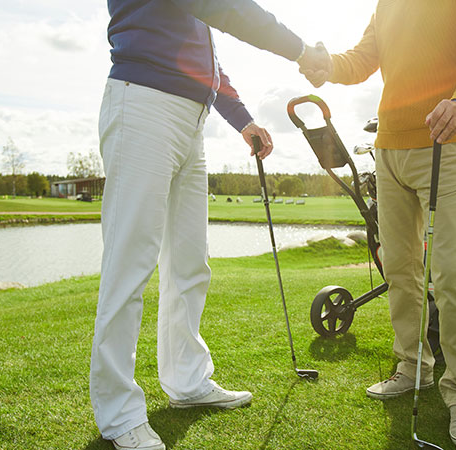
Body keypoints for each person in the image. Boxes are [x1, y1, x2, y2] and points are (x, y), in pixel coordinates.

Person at [91, 2, 328, 449]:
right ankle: (119, 413)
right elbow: (225, 7)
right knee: (130, 265)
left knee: (190, 263)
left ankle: (187, 381)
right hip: (143, 102)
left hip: (190, 119)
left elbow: (203, 59)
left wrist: (242, 119)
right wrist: (301, 51)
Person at [301, 1, 456, 448]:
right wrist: (326, 69)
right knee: (398, 266)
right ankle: (413, 366)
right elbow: (361, 60)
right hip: (389, 149)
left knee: (452, 271)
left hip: (445, 144)